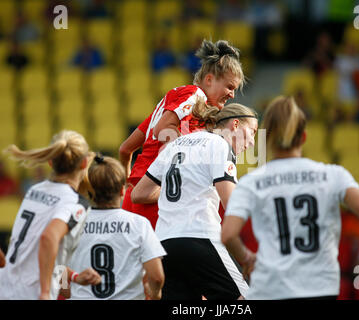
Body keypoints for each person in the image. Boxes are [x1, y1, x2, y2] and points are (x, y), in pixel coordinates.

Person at [221, 96, 359, 300]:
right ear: (303, 137)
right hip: (321, 287)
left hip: (271, 288)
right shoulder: (333, 174)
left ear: (268, 139)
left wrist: (247, 259)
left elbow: (228, 235)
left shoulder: (252, 182)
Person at [131, 102, 258, 300]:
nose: (252, 142)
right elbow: (231, 203)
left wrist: (183, 189)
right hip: (200, 237)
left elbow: (138, 193)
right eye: (252, 132)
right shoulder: (220, 144)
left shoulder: (175, 144)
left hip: (164, 244)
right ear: (235, 125)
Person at [119, 39, 245, 228]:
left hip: (134, 198)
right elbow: (163, 130)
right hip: (154, 199)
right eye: (229, 87)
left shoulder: (167, 107)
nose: (232, 95)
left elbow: (125, 149)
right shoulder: (194, 95)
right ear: (209, 79)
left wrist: (127, 187)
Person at [0, 130, 101, 300]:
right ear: (84, 163)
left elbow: (49, 255)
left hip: (6, 287)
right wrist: (46, 292)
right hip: (30, 293)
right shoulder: (75, 204)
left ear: (50, 162)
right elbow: (48, 238)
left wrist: (74, 278)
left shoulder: (34, 190)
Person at [67, 154, 166, 300]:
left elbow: (56, 269)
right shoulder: (139, 224)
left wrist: (69, 292)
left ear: (90, 190)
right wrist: (155, 295)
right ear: (122, 190)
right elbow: (157, 277)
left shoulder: (73, 223)